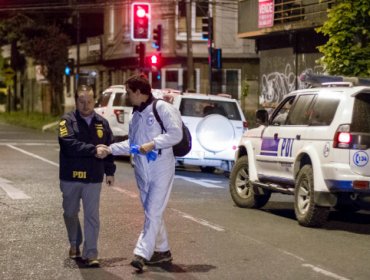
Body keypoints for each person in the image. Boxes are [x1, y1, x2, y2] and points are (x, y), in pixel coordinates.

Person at [97, 74, 183, 272]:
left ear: (138, 91)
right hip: (141, 170)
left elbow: (175, 134)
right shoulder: (136, 115)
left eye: (128, 92)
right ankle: (163, 251)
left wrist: (154, 143)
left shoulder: (162, 108)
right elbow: (133, 145)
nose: (127, 96)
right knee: (152, 212)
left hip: (161, 166)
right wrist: (110, 149)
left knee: (153, 211)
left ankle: (141, 254)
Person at [58, 85, 116, 267]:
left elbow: (108, 147)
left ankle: (91, 253)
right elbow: (69, 144)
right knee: (70, 213)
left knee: (92, 216)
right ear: (76, 102)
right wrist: (93, 149)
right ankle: (75, 243)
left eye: (89, 101)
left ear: (94, 101)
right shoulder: (66, 121)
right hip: (70, 177)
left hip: (93, 177)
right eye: (81, 101)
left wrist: (110, 171)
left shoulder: (102, 123)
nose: (85, 105)